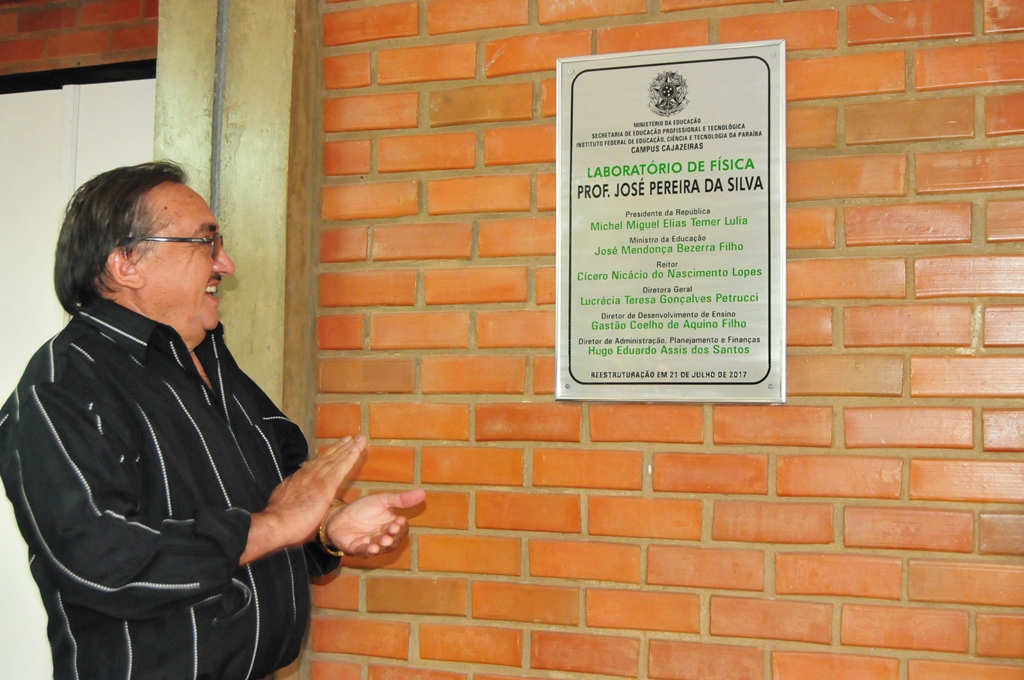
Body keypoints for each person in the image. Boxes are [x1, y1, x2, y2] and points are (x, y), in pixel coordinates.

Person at [0, 161, 425, 679]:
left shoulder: (210, 359)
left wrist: (325, 528)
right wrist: (276, 525)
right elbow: (105, 565)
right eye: (206, 244)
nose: (226, 263)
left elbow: (281, 489)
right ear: (125, 264)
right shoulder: (61, 388)